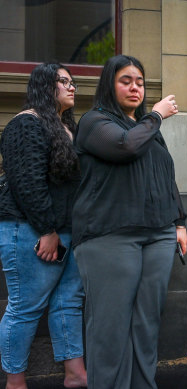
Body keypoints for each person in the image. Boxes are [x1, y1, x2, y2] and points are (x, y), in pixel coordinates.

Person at [72, 55, 187, 389]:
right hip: (109, 236)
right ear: (110, 84)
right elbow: (126, 147)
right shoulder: (95, 121)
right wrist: (156, 115)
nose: (135, 87)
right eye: (126, 80)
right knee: (110, 327)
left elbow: (166, 176)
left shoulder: (147, 130)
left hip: (158, 235)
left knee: (146, 325)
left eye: (139, 81)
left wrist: (179, 223)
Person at [0, 63, 87, 389]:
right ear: (43, 87)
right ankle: (15, 382)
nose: (72, 87)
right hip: (30, 231)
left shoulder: (68, 128)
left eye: (72, 81)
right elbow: (27, 183)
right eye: (62, 81)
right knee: (24, 308)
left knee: (68, 303)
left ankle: (76, 376)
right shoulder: (26, 123)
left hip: (68, 233)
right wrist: (48, 232)